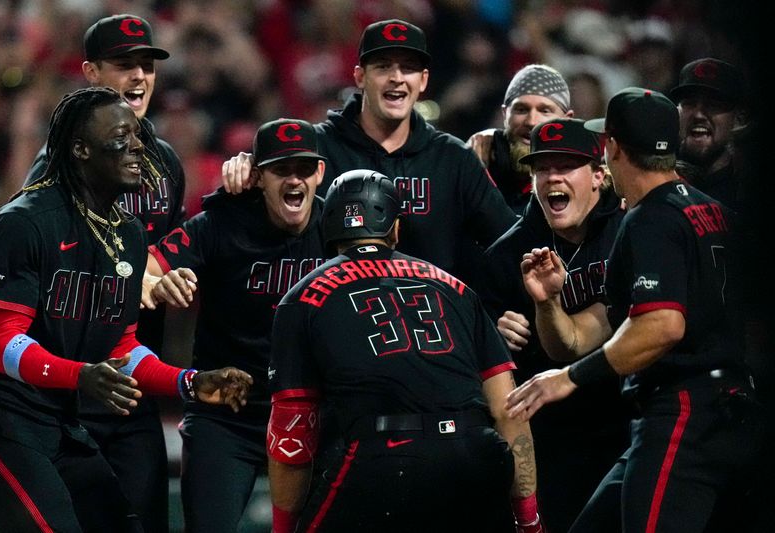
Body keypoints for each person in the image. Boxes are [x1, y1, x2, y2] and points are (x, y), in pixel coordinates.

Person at [0, 87, 252, 533]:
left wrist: (188, 381)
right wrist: (80, 375)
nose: (138, 146)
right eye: (121, 137)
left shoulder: (128, 232)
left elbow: (123, 346)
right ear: (80, 149)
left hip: (59, 416)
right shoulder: (25, 221)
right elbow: (0, 343)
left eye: (139, 136)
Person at [505, 88, 762, 532]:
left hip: (682, 414)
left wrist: (568, 379)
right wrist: (549, 305)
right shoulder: (715, 211)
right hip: (737, 412)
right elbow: (601, 327)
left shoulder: (648, 220)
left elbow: (661, 325)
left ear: (613, 149)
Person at [266, 169, 544, 533]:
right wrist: (528, 518)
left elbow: (293, 431)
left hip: (386, 458)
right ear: (395, 228)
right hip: (476, 454)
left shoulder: (302, 297)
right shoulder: (456, 288)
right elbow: (509, 409)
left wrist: (283, 527)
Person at [23, 14, 186, 531]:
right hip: (72, 398)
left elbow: (161, 255)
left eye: (146, 66)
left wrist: (164, 274)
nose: (139, 77)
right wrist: (132, 277)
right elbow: (52, 280)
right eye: (123, 65)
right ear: (91, 72)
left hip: (134, 390)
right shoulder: (57, 169)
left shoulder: (165, 163)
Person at [222, 19, 515, 284]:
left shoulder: (451, 158)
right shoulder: (314, 150)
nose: (396, 77)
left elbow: (510, 243)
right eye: (383, 66)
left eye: (408, 68)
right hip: (334, 330)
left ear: (423, 81)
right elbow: (243, 227)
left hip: (432, 333)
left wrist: (494, 311)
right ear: (360, 77)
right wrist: (251, 172)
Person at [145, 118, 327, 533]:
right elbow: (145, 269)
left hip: (314, 414)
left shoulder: (337, 227)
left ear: (320, 173)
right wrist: (158, 282)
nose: (294, 179)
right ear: (259, 177)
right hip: (227, 416)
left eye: (303, 168)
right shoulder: (220, 222)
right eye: (281, 169)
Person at [475, 118, 628, 533]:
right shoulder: (507, 254)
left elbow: (584, 339)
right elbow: (476, 351)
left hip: (626, 427)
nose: (553, 177)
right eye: (543, 168)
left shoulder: (628, 232)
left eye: (567, 166)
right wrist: (493, 329)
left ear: (599, 176)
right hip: (550, 442)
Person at [466, 64, 573, 213]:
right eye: (521, 110)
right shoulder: (480, 162)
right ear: (505, 115)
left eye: (545, 111)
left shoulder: (581, 180)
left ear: (566, 121)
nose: (531, 121)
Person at [670, 57, 747, 212]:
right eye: (689, 103)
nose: (698, 114)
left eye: (713, 105)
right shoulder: (654, 186)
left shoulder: (751, 199)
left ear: (738, 119)